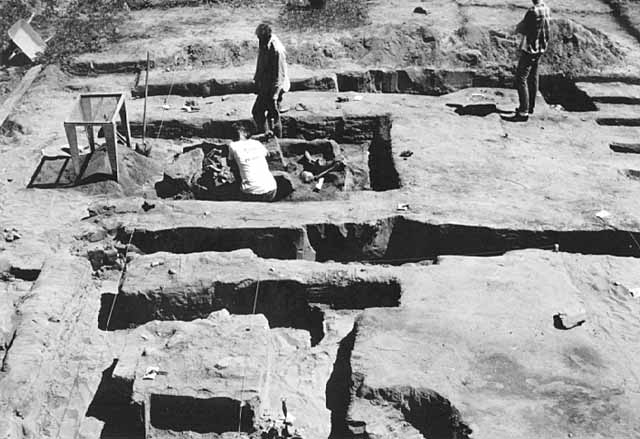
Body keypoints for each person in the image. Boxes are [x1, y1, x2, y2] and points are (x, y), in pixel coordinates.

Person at [513, 0, 551, 121]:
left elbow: (524, 29)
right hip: (540, 48)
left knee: (521, 78)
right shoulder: (546, 8)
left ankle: (523, 112)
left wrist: (516, 29)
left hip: (530, 49)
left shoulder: (532, 11)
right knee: (533, 77)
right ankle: (530, 107)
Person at [252, 23, 290, 138]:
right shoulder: (264, 44)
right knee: (263, 113)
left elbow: (280, 75)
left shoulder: (277, 50)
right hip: (267, 84)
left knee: (268, 114)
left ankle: (275, 140)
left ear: (266, 36)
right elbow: (261, 63)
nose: (258, 40)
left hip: (275, 87)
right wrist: (257, 80)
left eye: (259, 38)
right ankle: (267, 135)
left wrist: (275, 95)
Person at [228, 127, 278, 202]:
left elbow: (230, 162)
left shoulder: (233, 145)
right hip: (271, 189)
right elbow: (267, 155)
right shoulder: (257, 143)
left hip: (250, 193)